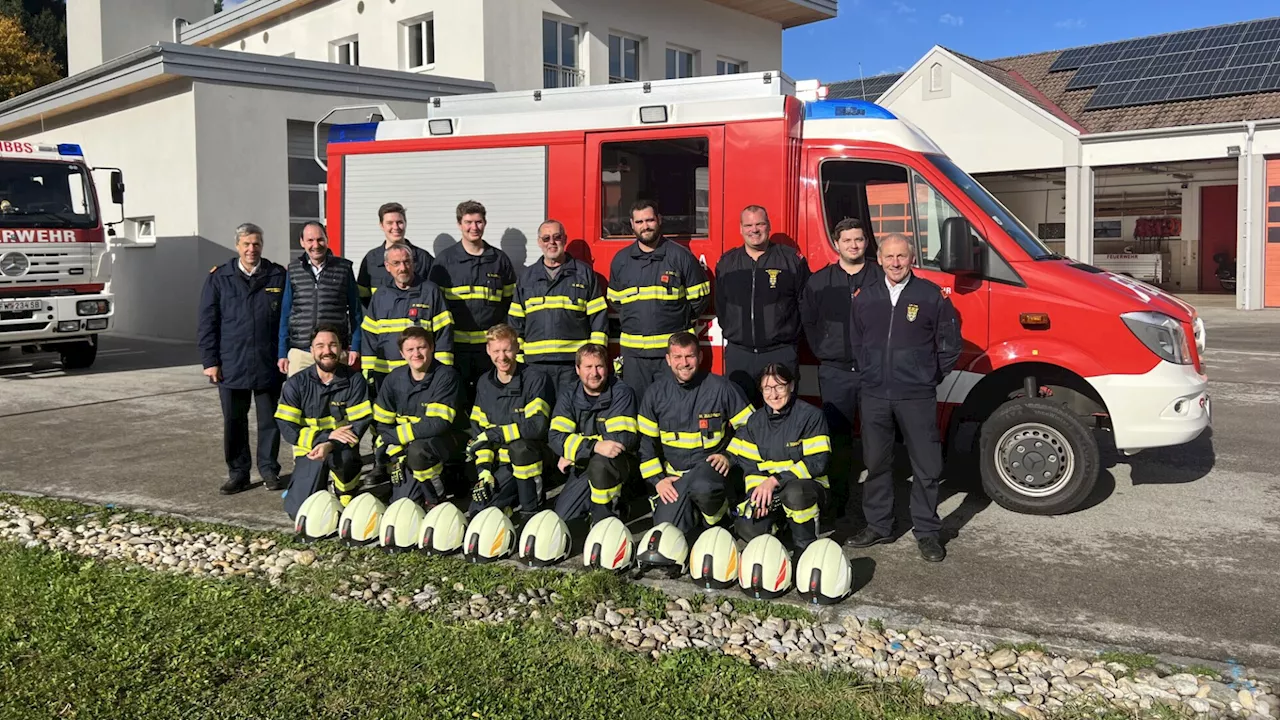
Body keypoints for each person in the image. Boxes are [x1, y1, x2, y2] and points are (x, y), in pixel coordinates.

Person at [844, 234, 960, 563]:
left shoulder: (930, 296)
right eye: (889, 256)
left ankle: (927, 532)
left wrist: (928, 376)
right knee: (877, 463)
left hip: (916, 395)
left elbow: (950, 343)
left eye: (902, 256)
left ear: (912, 259)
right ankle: (879, 525)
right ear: (878, 259)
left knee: (926, 466)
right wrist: (868, 372)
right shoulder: (865, 297)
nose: (895, 262)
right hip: (875, 394)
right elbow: (857, 341)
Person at [800, 217, 883, 520]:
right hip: (834, 371)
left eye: (858, 240)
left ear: (866, 242)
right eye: (847, 240)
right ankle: (837, 501)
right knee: (838, 439)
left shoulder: (880, 277)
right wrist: (824, 349)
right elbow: (807, 320)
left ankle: (876, 508)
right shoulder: (820, 281)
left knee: (877, 439)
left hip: (873, 370)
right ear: (836, 244)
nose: (853, 245)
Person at [197, 222, 287, 495]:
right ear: (237, 246)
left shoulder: (277, 275)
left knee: (270, 420)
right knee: (234, 422)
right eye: (246, 244)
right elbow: (207, 322)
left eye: (256, 243)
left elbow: (287, 320)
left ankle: (269, 470)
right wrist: (210, 361)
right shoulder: (219, 277)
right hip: (231, 363)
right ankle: (239, 474)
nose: (252, 249)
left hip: (267, 361)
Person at [637, 332, 753, 536]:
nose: (684, 363)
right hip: (674, 479)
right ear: (668, 360)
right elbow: (646, 443)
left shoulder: (721, 388)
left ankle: (718, 520)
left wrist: (729, 456)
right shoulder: (655, 393)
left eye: (689, 356)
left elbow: (751, 428)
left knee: (703, 487)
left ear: (699, 357)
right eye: (678, 357)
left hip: (710, 474)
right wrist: (658, 480)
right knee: (667, 530)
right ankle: (693, 514)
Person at [361, 243, 454, 486]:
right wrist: (369, 371)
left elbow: (443, 331)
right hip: (388, 373)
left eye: (407, 262)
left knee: (422, 419)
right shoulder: (380, 296)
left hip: (423, 374)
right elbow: (369, 335)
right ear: (388, 267)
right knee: (382, 419)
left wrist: (441, 371)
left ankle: (424, 463)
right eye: (397, 263)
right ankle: (383, 463)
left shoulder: (430, 291)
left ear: (413, 263)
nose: (403, 267)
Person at [607, 200, 710, 403]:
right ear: (632, 224)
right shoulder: (621, 261)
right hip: (635, 356)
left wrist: (678, 318)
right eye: (639, 222)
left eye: (649, 220)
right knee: (637, 406)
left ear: (659, 220)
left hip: (672, 355)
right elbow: (615, 301)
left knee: (674, 406)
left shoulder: (681, 257)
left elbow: (699, 299)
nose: (645, 226)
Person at [727, 363, 831, 552]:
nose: (773, 395)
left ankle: (806, 548)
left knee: (795, 493)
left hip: (807, 489)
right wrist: (757, 495)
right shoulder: (755, 421)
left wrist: (775, 481)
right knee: (746, 525)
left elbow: (817, 463)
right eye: (767, 388)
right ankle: (778, 537)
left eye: (779, 387)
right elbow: (750, 466)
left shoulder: (811, 416)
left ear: (791, 386)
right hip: (771, 493)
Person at [714, 205, 810, 406]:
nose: (754, 230)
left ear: (769, 226)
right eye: (748, 225)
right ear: (741, 229)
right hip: (739, 354)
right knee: (742, 416)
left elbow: (806, 306)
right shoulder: (727, 263)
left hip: (780, 352)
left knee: (782, 414)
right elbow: (721, 305)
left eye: (759, 224)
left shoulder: (791, 261)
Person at [274, 324, 372, 514]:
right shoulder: (296, 383)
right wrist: (321, 440)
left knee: (346, 460)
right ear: (311, 350)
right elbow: (286, 426)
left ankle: (345, 491)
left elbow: (360, 422)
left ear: (342, 348)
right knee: (300, 511)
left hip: (341, 449)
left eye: (332, 345)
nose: (327, 351)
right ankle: (303, 487)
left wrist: (331, 444)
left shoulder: (355, 380)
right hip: (310, 450)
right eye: (320, 346)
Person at [429, 200, 518, 402]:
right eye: (468, 222)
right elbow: (434, 307)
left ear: (485, 223)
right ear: (459, 224)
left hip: (490, 349)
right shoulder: (445, 261)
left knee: (490, 396)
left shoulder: (499, 260)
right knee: (456, 397)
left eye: (478, 222)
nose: (474, 228)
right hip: (456, 347)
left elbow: (510, 305)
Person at [508, 219, 608, 398]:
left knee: (571, 417)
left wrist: (594, 361)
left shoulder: (584, 275)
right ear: (539, 242)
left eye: (556, 237)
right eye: (546, 238)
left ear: (565, 239)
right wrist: (520, 360)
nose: (551, 243)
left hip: (572, 366)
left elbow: (599, 322)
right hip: (535, 366)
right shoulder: (526, 278)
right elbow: (516, 325)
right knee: (538, 416)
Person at [467, 324, 555, 522]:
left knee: (520, 448)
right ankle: (507, 501)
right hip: (502, 463)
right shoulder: (484, 383)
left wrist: (495, 434)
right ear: (488, 351)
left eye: (507, 349)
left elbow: (537, 426)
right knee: (479, 512)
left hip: (533, 458)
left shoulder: (535, 379)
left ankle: (532, 509)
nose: (502, 357)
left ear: (516, 348)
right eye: (496, 351)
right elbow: (480, 434)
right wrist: (485, 471)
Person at [372, 326, 466, 508]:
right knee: (405, 501)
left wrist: (392, 437)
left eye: (421, 347)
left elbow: (437, 424)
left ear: (431, 347)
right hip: (407, 446)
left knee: (419, 452)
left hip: (444, 442)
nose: (416, 354)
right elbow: (383, 423)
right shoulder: (393, 379)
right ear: (401, 353)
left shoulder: (446, 376)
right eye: (410, 349)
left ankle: (436, 500)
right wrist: (395, 452)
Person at [549, 343, 639, 525]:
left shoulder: (622, 393)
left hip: (616, 466)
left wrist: (574, 449)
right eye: (588, 367)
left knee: (601, 465)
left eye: (599, 366)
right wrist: (593, 446)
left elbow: (619, 441)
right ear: (577, 369)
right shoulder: (568, 395)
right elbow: (555, 437)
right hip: (583, 463)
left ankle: (610, 516)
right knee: (564, 516)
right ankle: (595, 506)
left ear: (607, 368)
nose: (594, 373)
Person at [277, 221, 362, 377]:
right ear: (302, 242)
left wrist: (355, 346)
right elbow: (286, 313)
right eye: (310, 240)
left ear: (327, 239)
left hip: (334, 350)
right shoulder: (294, 270)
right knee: (300, 400)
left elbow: (356, 312)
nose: (316, 245)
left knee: (337, 399)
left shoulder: (343, 268)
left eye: (320, 239)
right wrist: (282, 352)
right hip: (301, 352)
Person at [356, 202, 434, 306]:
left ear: (405, 223)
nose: (395, 227)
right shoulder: (371, 260)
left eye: (399, 222)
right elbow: (363, 297)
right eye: (390, 223)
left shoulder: (423, 258)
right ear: (381, 225)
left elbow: (434, 295)